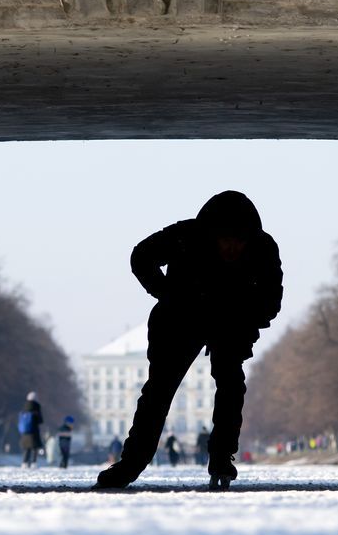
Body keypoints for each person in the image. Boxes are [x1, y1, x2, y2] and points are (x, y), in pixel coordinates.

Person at [96, 191, 284, 491]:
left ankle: (222, 458)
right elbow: (140, 256)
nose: (234, 248)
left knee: (231, 385)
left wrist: (247, 326)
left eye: (240, 241)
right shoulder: (186, 236)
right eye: (228, 240)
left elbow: (271, 298)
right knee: (159, 392)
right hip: (179, 319)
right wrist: (168, 294)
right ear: (213, 235)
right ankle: (131, 463)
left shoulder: (262, 247)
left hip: (230, 321)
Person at [18, 393, 45, 467]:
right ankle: (34, 463)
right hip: (33, 430)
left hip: (25, 431)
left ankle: (24, 462)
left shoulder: (24, 406)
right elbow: (40, 420)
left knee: (27, 448)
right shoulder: (36, 406)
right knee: (34, 448)